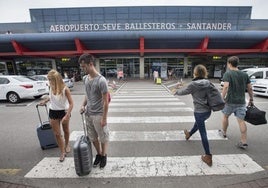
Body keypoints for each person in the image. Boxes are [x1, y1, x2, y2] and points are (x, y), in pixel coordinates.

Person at [174, 64, 213, 166]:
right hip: (208, 111)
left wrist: (176, 89)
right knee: (198, 124)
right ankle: (189, 134)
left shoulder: (193, 84)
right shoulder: (208, 83)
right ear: (204, 73)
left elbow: (182, 92)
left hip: (199, 112)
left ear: (195, 73)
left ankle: (208, 155)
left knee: (203, 132)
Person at [78, 53, 110, 169]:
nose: (82, 69)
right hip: (88, 113)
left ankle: (104, 155)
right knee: (93, 137)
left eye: (84, 67)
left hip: (99, 115)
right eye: (81, 67)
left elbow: (105, 102)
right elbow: (87, 95)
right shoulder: (85, 78)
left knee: (103, 137)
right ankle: (99, 154)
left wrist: (104, 118)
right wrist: (83, 105)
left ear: (91, 64)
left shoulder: (101, 81)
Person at [39, 69, 74, 162]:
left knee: (66, 130)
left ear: (57, 79)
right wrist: (45, 101)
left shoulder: (65, 89)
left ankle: (67, 145)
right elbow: (51, 97)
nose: (49, 82)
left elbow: (71, 103)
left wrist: (67, 115)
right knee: (57, 134)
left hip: (64, 112)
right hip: (53, 112)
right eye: (49, 80)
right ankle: (62, 152)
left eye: (51, 80)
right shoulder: (51, 87)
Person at [220, 56, 254, 149]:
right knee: (241, 121)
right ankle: (244, 142)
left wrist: (222, 98)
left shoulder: (228, 74)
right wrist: (251, 99)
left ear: (229, 63)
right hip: (241, 102)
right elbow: (250, 88)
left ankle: (224, 132)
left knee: (225, 116)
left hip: (230, 101)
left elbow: (226, 87)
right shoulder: (244, 74)